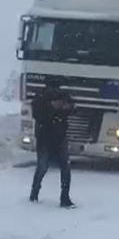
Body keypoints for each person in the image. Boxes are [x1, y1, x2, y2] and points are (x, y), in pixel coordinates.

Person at [30, 78, 76, 207]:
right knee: (44, 167)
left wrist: (66, 107)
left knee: (62, 168)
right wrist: (53, 108)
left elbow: (73, 109)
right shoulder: (40, 99)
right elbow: (38, 116)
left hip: (58, 136)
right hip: (46, 136)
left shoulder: (63, 96)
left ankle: (64, 197)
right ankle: (35, 193)